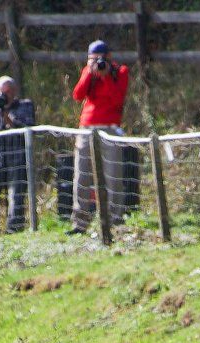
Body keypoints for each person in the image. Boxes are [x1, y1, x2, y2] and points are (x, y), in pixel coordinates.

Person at [70, 39, 129, 235]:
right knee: (82, 175)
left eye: (101, 58)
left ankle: (115, 220)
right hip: (86, 127)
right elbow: (78, 95)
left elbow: (117, 99)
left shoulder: (120, 72)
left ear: (109, 57)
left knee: (113, 174)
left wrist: (105, 77)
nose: (98, 62)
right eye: (93, 58)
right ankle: (80, 223)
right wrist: (89, 73)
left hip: (109, 128)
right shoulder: (88, 72)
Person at [0, 75, 37, 235]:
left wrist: (7, 116)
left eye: (8, 92)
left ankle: (14, 230)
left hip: (17, 158)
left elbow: (28, 130)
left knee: (16, 197)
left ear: (14, 91)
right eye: (1, 92)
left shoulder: (25, 105)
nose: (4, 96)